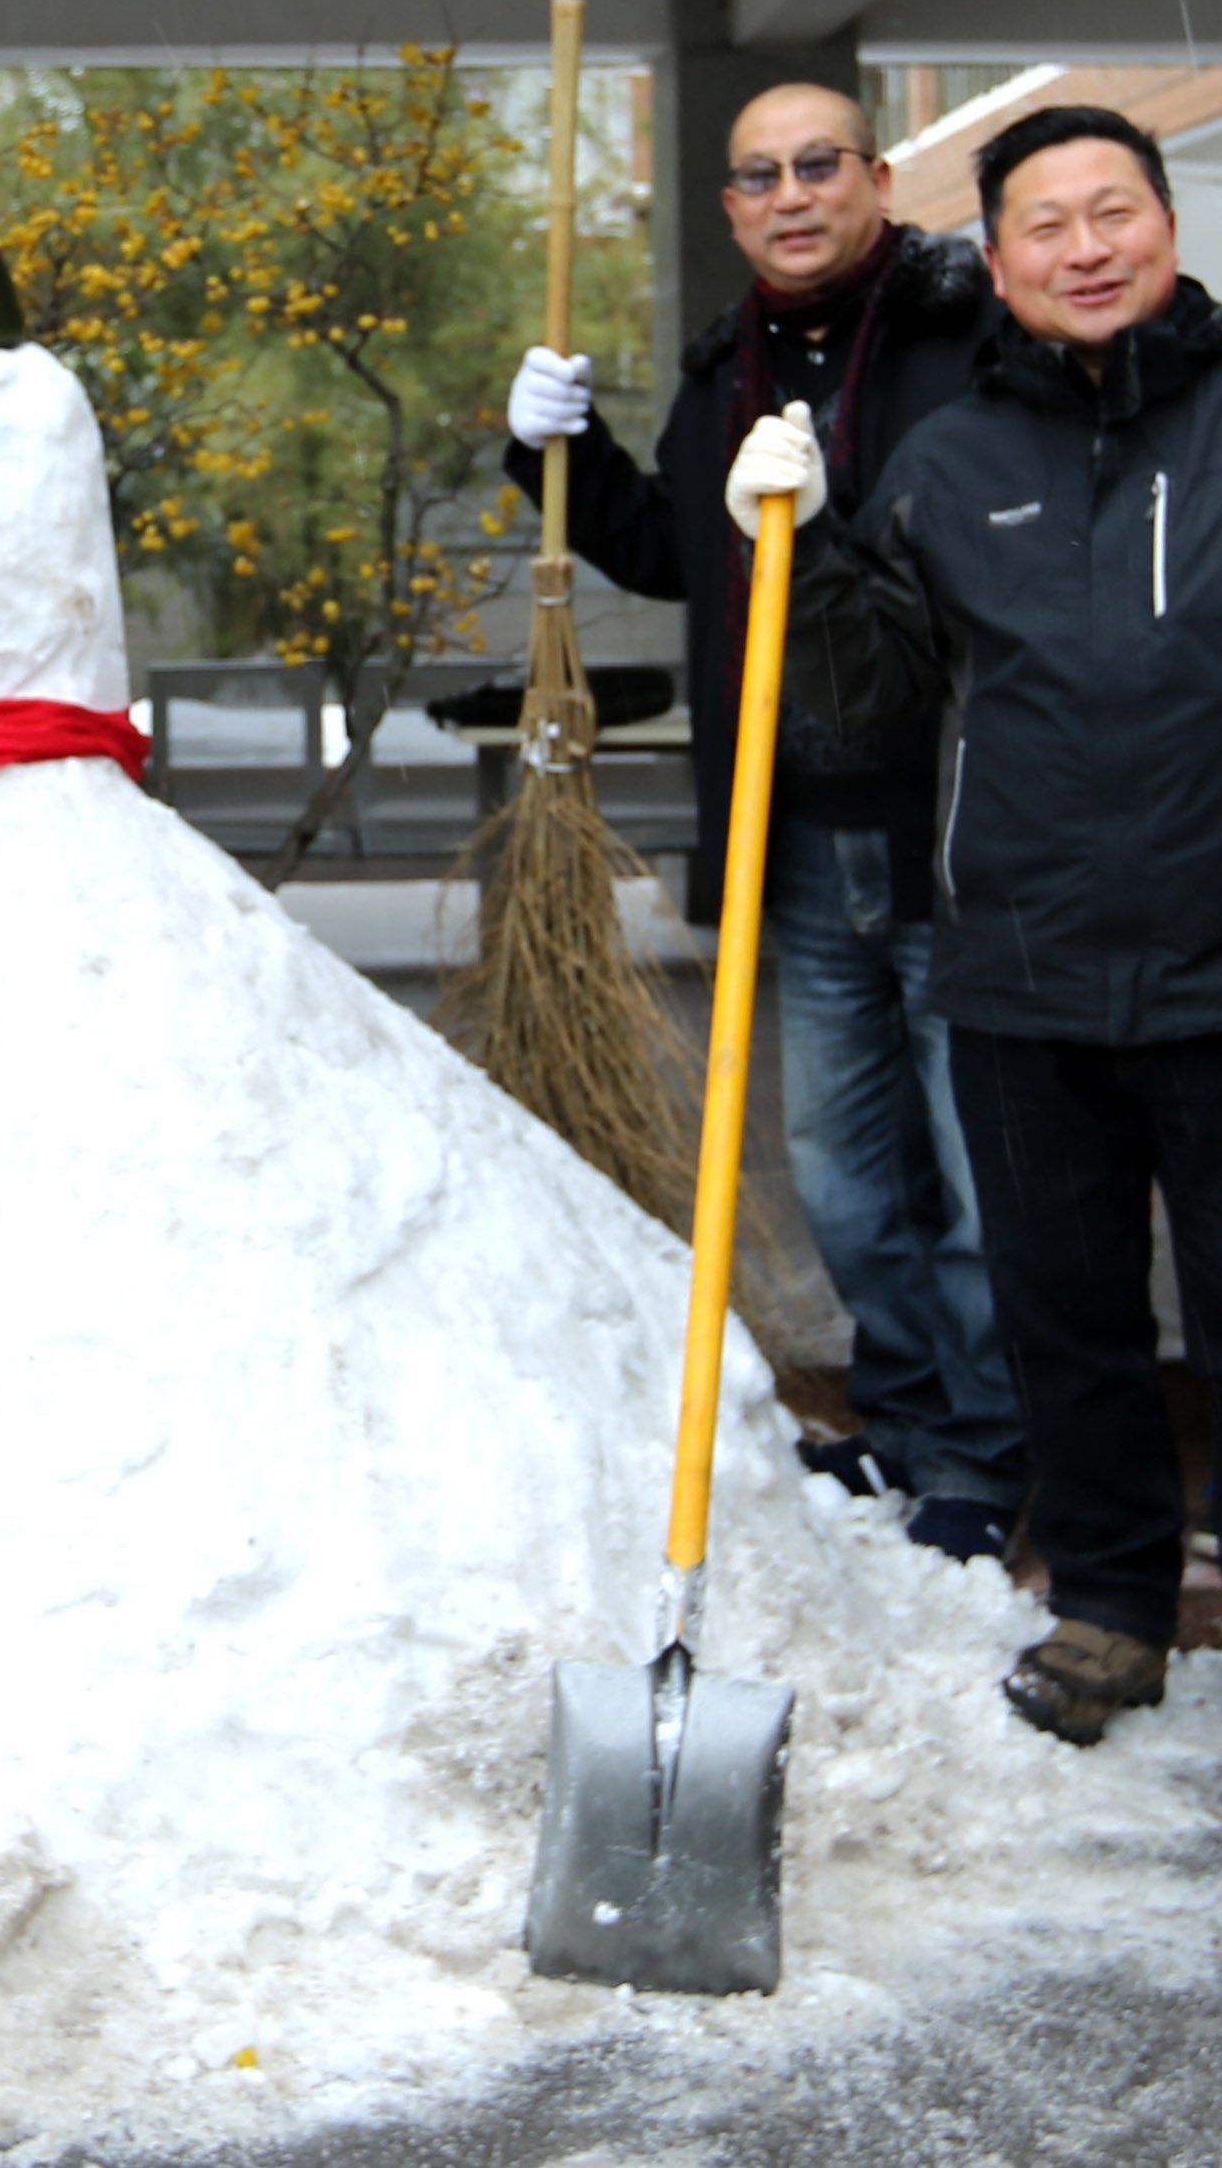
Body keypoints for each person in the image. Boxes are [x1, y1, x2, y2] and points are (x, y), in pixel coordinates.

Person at [776, 101, 1222, 1839]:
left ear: (1168, 226)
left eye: (1114, 212)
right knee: (1066, 1323)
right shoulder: (946, 457)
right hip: (1020, 973)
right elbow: (855, 709)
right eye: (1045, 224)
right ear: (994, 260)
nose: (1084, 249)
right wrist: (793, 544)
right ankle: (1108, 1606)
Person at [498, 81, 1028, 1562]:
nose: (790, 195)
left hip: (949, 816)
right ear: (730, 210)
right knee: (846, 1174)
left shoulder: (970, 336)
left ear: (876, 178)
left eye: (817, 165)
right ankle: (906, 1416)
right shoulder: (726, 365)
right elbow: (673, 550)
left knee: (974, 1173)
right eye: (757, 177)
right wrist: (553, 451)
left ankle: (992, 1443)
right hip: (786, 827)